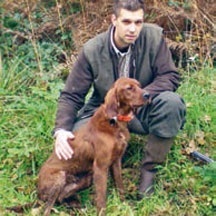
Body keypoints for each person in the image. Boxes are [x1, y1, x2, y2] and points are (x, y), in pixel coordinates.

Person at [53, 0, 186, 198]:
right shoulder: (93, 49)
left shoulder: (153, 38)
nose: (133, 29)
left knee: (172, 103)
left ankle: (149, 172)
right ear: (114, 20)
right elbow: (72, 94)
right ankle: (84, 180)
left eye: (138, 22)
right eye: (126, 21)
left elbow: (169, 75)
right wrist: (61, 130)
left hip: (143, 106)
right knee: (76, 139)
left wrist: (141, 96)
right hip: (107, 111)